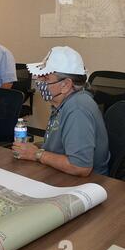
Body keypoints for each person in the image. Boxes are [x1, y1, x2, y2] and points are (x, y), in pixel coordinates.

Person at [12, 46, 110, 177]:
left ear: (66, 85)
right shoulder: (63, 103)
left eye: (45, 78)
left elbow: (80, 166)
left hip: (86, 183)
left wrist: (36, 154)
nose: (39, 82)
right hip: (63, 175)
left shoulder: (77, 108)